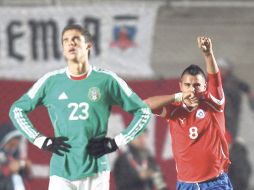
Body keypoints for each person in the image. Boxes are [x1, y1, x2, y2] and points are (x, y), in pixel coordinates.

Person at [9, 24, 151, 190]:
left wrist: (116, 142)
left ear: (88, 45)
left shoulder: (106, 80)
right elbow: (16, 110)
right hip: (61, 171)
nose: (71, 44)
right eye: (66, 41)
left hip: (96, 170)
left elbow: (143, 111)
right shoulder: (51, 81)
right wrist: (41, 141)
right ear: (62, 48)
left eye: (76, 39)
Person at [144, 37, 233, 189]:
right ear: (181, 86)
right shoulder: (174, 110)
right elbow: (144, 106)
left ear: (205, 87)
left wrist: (208, 54)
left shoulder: (213, 104)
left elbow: (215, 79)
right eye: (188, 85)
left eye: (197, 85)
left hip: (214, 183)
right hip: (186, 184)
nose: (192, 89)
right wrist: (176, 97)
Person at [217, 57, 254, 141]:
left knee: (231, 132)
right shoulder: (210, 80)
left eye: (223, 69)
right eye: (219, 68)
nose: (220, 71)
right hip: (217, 111)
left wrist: (250, 94)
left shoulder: (234, 81)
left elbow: (246, 87)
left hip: (233, 111)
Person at [0, 123, 32, 190]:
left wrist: (25, 166)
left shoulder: (15, 153)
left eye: (18, 138)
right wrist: (8, 169)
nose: (17, 141)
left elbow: (28, 176)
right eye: (15, 138)